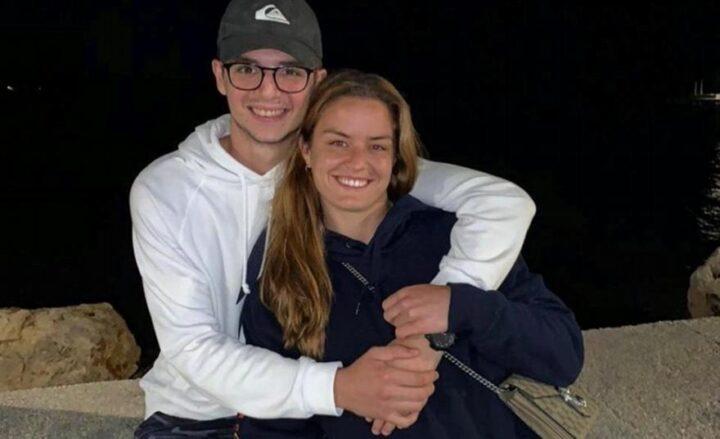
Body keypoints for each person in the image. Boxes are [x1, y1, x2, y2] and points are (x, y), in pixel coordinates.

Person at [130, 0, 536, 437]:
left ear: (317, 81)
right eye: (247, 69)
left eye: (290, 72)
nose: (268, 92)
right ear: (219, 75)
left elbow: (502, 203)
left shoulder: (341, 165)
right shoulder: (165, 189)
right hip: (200, 419)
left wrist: (434, 325)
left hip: (314, 415)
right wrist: (338, 387)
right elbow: (192, 347)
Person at [239, 70, 583, 438]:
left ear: (396, 156)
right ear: (306, 150)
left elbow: (564, 356)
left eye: (377, 146)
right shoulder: (279, 286)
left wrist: (462, 307)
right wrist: (343, 390)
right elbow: (275, 428)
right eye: (338, 143)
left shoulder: (457, 238)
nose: (357, 161)